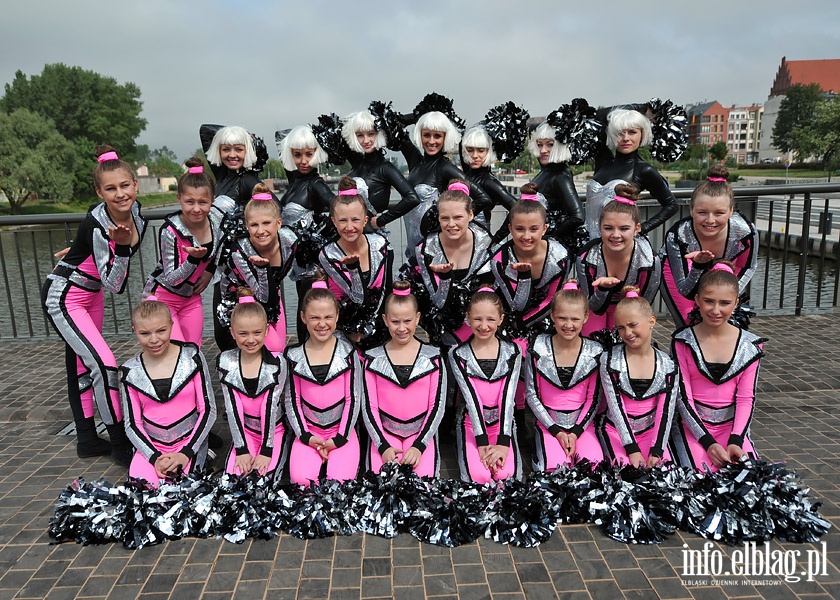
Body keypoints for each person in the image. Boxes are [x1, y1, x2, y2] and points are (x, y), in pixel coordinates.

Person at [42, 145, 146, 465]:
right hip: (66, 296)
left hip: (91, 296)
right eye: (110, 189)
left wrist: (78, 245)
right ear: (100, 192)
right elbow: (116, 284)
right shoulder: (101, 225)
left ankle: (87, 439)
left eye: (125, 185)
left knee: (81, 367)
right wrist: (122, 249)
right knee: (104, 366)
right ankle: (119, 444)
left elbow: (121, 243)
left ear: (135, 185)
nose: (120, 194)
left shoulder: (136, 210)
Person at [670, 262, 766, 471]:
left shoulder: (750, 345)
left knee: (748, 485)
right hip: (693, 430)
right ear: (697, 300)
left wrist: (736, 441)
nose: (715, 310)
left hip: (732, 431)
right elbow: (683, 398)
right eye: (708, 301)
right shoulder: (682, 341)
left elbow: (745, 399)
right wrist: (707, 442)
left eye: (724, 303)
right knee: (698, 480)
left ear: (736, 303)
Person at [490, 192, 571, 435]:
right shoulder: (500, 258)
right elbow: (515, 304)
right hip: (511, 319)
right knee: (514, 356)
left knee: (542, 355)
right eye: (519, 229)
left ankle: (546, 414)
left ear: (545, 228)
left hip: (544, 319)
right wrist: (524, 277)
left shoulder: (560, 255)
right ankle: (514, 416)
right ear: (510, 228)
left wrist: (531, 327)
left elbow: (554, 300)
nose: (526, 236)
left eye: (534, 229)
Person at [120, 297, 217, 486]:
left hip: (188, 444)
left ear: (172, 325)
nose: (154, 339)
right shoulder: (130, 371)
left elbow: (208, 410)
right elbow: (132, 424)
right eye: (145, 333)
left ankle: (203, 456)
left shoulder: (192, 358)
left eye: (161, 331)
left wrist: (186, 453)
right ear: (135, 331)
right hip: (152, 448)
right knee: (143, 495)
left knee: (183, 493)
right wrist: (154, 457)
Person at [361, 282, 446, 477]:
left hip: (420, 436)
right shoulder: (372, 359)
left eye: (407, 321)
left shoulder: (433, 357)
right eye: (395, 321)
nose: (401, 328)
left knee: (423, 485)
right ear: (385, 320)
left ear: (417, 318)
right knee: (379, 486)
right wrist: (382, 446)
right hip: (384, 437)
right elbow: (369, 407)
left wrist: (419, 445)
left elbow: (436, 406)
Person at [284, 276, 362, 485]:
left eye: (328, 317)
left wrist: (339, 438)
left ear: (337, 316)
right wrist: (306, 437)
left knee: (340, 483)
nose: (322, 324)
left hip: (341, 432)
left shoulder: (348, 353)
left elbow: (352, 399)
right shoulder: (293, 356)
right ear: (303, 317)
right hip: (309, 433)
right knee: (301, 482)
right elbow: (293, 401)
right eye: (314, 317)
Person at [660, 165, 758, 328]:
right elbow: (686, 290)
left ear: (731, 211)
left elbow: (748, 266)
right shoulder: (678, 236)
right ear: (691, 210)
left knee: (723, 321)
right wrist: (698, 266)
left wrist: (729, 292)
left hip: (721, 270)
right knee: (690, 325)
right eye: (702, 212)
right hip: (683, 274)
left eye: (719, 213)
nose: (710, 220)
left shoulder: (746, 232)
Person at [524, 281, 604, 471]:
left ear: (585, 318)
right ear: (552, 316)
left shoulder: (595, 351)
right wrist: (555, 431)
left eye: (575, 319)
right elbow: (532, 394)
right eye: (562, 318)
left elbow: (594, 398)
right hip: (548, 425)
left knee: (593, 469)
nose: (568, 325)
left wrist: (576, 432)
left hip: (582, 427)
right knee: (554, 470)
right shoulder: (537, 347)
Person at [143, 157, 222, 346]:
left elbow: (219, 249)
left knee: (193, 351)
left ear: (213, 199)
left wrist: (210, 271)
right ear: (179, 199)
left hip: (191, 298)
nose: (196, 209)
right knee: (176, 353)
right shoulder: (169, 231)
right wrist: (193, 261)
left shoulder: (217, 222)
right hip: (163, 299)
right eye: (189, 202)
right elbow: (171, 278)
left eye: (203, 202)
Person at [596, 288, 678, 467]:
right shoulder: (609, 360)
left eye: (633, 325)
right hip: (616, 431)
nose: (628, 333)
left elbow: (666, 411)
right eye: (621, 328)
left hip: (652, 434)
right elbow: (615, 406)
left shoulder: (668, 364)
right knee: (625, 477)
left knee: (664, 478)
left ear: (651, 321)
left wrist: (657, 450)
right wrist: (631, 448)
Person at [399, 95, 492, 253]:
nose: (431, 141)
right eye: (426, 134)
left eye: (437, 136)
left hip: (435, 249)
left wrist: (443, 219)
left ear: (445, 138)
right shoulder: (414, 160)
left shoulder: (445, 167)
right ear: (420, 135)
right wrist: (422, 115)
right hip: (413, 249)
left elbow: (483, 199)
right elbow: (392, 125)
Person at [449, 288, 521, 483]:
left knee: (506, 476)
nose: (483, 325)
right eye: (477, 319)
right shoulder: (458, 354)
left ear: (501, 319)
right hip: (472, 425)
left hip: (502, 425)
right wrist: (481, 442)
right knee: (478, 477)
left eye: (490, 319)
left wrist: (503, 442)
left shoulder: (513, 351)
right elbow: (472, 399)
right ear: (468, 318)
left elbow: (508, 397)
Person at [410, 181, 494, 348]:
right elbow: (438, 301)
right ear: (438, 217)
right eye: (445, 218)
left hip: (480, 320)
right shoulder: (426, 249)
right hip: (442, 319)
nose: (451, 224)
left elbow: (491, 289)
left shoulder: (485, 242)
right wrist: (445, 278)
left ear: (470, 215)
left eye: (458, 217)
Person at [217, 288, 288, 478]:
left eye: (257, 332)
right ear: (232, 332)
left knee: (262, 482)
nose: (250, 340)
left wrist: (266, 450)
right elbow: (232, 406)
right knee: (231, 482)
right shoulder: (225, 361)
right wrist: (241, 449)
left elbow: (270, 404)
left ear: (266, 330)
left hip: (273, 432)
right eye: (243, 333)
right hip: (245, 433)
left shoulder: (277, 362)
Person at [218, 184, 297, 353]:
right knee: (273, 348)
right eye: (254, 225)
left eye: (266, 223)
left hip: (272, 296)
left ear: (278, 223)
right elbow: (262, 295)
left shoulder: (290, 242)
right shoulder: (239, 250)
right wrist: (262, 268)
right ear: (247, 226)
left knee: (280, 350)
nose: (261, 231)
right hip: (242, 301)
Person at [577, 184, 661, 337]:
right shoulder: (586, 258)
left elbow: (644, 304)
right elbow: (593, 306)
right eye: (608, 228)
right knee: (592, 338)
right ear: (599, 227)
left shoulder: (650, 261)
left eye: (624, 229)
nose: (616, 235)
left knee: (627, 338)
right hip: (595, 308)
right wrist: (603, 289)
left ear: (637, 229)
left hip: (629, 310)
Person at [318, 177, 393, 348]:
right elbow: (358, 298)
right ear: (333, 221)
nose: (349, 227)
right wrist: (353, 269)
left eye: (355, 220)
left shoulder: (380, 246)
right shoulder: (328, 254)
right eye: (343, 220)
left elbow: (386, 291)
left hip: (379, 327)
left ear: (365, 220)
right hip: (343, 329)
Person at [277, 125, 335, 340]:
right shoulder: (295, 181)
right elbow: (279, 137)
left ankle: (308, 362)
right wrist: (299, 133)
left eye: (309, 154)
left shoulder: (316, 184)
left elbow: (339, 209)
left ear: (317, 153)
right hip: (299, 265)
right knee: (304, 314)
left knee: (309, 318)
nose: (303, 161)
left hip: (313, 266)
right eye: (297, 154)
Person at [586, 108, 677, 238]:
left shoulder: (643, 170)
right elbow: (597, 115)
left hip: (619, 243)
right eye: (620, 133)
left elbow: (671, 205)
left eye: (632, 132)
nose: (626, 138)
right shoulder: (603, 160)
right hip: (590, 243)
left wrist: (642, 229)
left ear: (642, 134)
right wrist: (644, 107)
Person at [341, 109, 420, 232]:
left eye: (371, 134)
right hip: (347, 236)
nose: (366, 140)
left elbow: (412, 198)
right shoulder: (357, 161)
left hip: (371, 239)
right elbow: (334, 131)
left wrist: (381, 220)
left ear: (380, 134)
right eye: (360, 135)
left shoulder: (385, 167)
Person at [527, 121, 586, 250]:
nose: (543, 150)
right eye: (539, 144)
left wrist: (550, 237)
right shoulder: (546, 172)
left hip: (552, 250)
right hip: (541, 245)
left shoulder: (560, 175)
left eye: (550, 145)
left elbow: (578, 217)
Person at [460, 124, 518, 240]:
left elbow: (517, 207)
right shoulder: (466, 175)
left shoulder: (489, 182)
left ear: (489, 151)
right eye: (470, 150)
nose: (474, 155)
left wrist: (497, 239)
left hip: (478, 242)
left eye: (481, 151)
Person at [201, 124, 274, 206]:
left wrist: (247, 138)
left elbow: (276, 209)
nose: (232, 155)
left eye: (238, 149)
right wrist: (232, 132)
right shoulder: (222, 174)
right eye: (226, 149)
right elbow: (205, 130)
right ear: (219, 151)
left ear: (248, 151)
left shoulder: (248, 180)